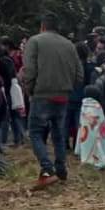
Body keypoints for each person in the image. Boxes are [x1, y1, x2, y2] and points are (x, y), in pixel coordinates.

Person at [23, 13, 81, 189]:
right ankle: (61, 169)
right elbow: (79, 74)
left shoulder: (35, 41)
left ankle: (47, 170)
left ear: (42, 26)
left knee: (35, 132)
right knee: (59, 133)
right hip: (63, 95)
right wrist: (68, 87)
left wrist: (29, 89)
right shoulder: (69, 45)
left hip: (42, 94)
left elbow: (29, 70)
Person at [76, 85, 105, 169]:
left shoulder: (83, 105)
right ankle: (96, 159)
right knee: (97, 147)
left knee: (86, 146)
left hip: (85, 133)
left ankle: (85, 158)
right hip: (95, 133)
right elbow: (102, 121)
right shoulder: (97, 106)